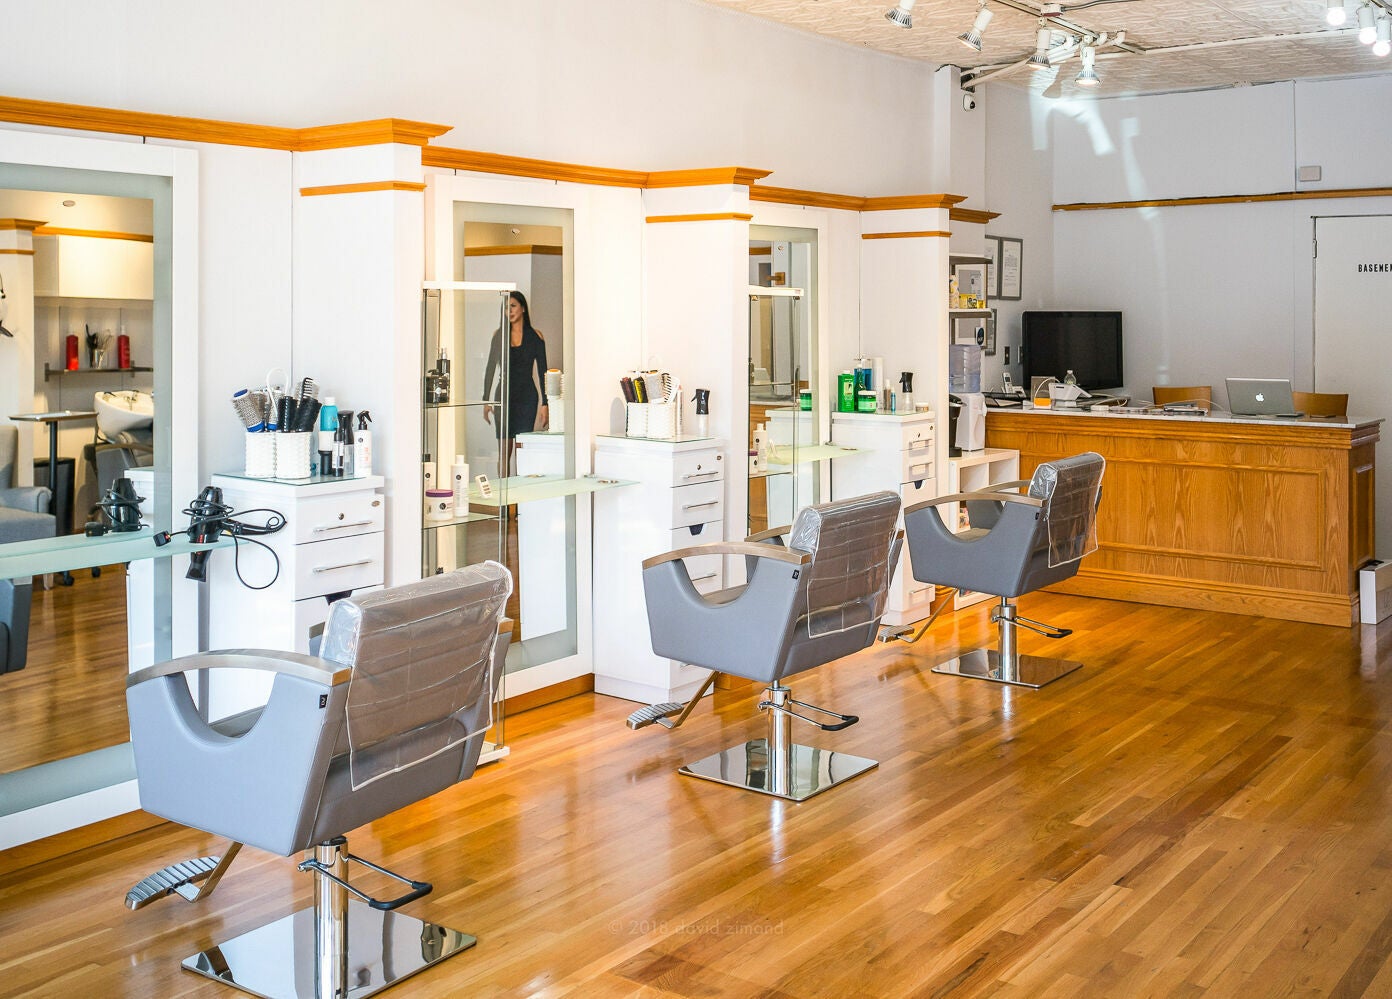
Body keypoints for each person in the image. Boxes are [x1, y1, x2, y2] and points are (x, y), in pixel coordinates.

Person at [483, 290, 549, 473]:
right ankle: (503, 502)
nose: (509, 311)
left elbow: (544, 371)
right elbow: (490, 368)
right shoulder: (499, 335)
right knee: (504, 452)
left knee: (522, 451)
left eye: (512, 306)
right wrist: (486, 400)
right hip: (504, 396)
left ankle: (519, 501)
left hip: (527, 397)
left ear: (523, 308)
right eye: (505, 307)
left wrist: (546, 403)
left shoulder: (536, 336)